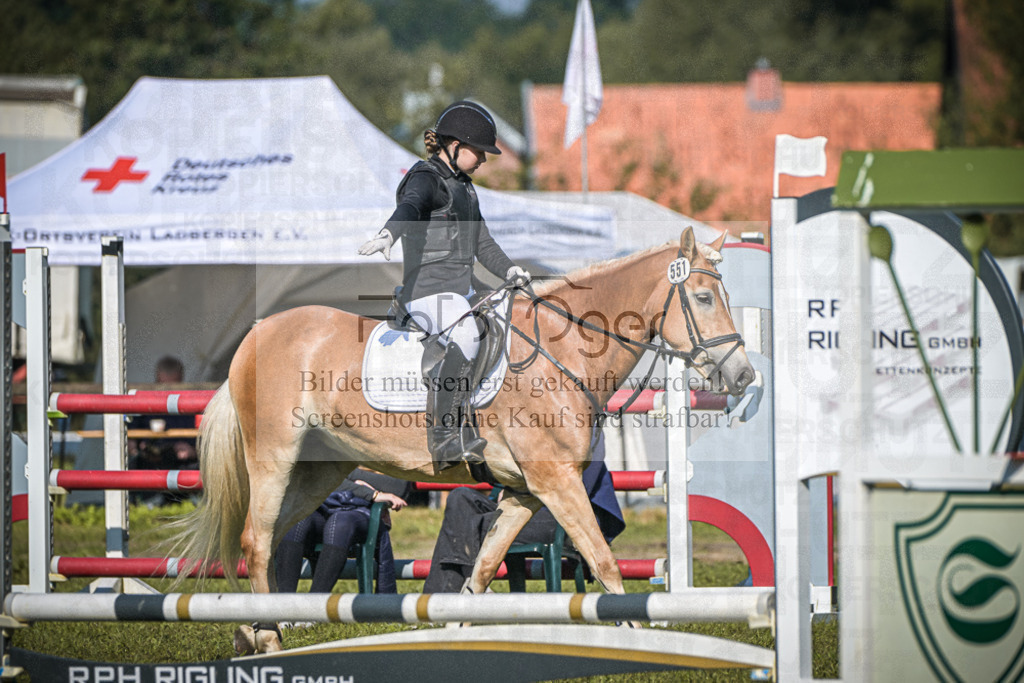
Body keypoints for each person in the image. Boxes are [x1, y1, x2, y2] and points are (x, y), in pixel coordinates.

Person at [358, 101, 531, 472]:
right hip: (425, 294)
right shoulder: (425, 178)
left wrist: (511, 271)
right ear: (453, 145)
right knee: (466, 333)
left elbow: (483, 244)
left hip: (460, 293)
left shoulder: (466, 189)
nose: (484, 160)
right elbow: (411, 206)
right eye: (479, 152)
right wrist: (390, 233)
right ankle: (444, 437)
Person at [423, 433, 625, 593]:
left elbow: (570, 495)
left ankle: (462, 590)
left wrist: (525, 489)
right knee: (461, 497)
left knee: (474, 524)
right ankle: (443, 594)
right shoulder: (539, 435)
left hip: (561, 519)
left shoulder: (582, 438)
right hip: (525, 507)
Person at [275, 470, 408, 597]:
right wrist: (370, 492)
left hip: (360, 511)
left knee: (339, 523)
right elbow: (319, 477)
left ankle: (314, 605)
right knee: (296, 521)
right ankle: (284, 606)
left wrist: (345, 478)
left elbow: (400, 487)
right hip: (323, 506)